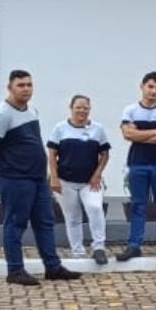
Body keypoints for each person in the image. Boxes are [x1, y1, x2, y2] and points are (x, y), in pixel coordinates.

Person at [0, 70, 80, 285]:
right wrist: (5, 170)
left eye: (29, 85)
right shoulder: (2, 114)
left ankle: (52, 267)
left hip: (37, 178)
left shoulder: (32, 110)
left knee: (45, 222)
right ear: (10, 87)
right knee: (15, 223)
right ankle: (15, 271)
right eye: (21, 85)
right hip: (14, 178)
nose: (26, 89)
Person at [116, 71, 156, 262]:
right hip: (138, 164)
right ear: (142, 86)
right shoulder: (130, 110)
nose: (153, 91)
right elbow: (128, 135)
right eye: (150, 87)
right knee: (138, 206)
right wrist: (155, 132)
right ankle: (134, 245)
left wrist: (141, 134)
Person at [47, 95, 111, 265]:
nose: (82, 110)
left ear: (90, 109)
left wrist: (98, 173)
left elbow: (105, 153)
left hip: (90, 182)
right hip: (65, 182)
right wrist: (53, 177)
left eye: (86, 107)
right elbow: (52, 153)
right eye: (78, 107)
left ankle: (99, 247)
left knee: (95, 208)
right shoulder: (60, 128)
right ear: (71, 108)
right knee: (72, 217)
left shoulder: (98, 129)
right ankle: (78, 252)